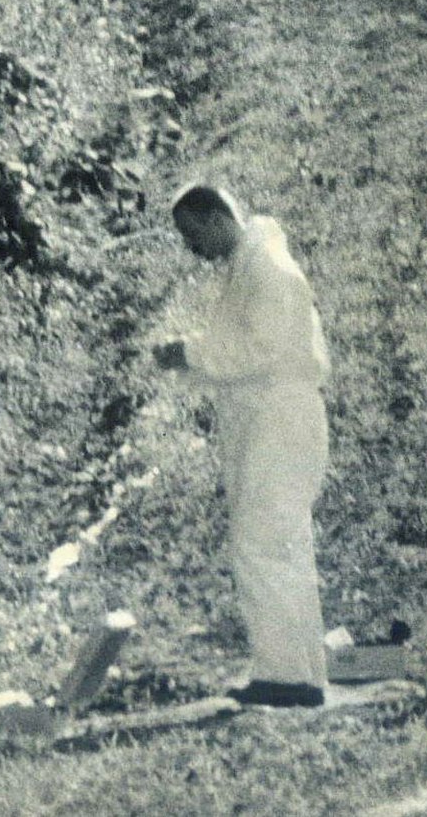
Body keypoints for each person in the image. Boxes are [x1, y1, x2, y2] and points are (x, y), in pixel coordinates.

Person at [154, 185, 332, 708]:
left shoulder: (268, 269)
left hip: (280, 415)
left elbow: (257, 349)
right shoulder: (252, 267)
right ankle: (298, 672)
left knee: (263, 542)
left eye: (193, 235)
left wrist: (188, 352)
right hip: (270, 416)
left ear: (216, 218)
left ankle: (288, 676)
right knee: (281, 544)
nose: (192, 250)